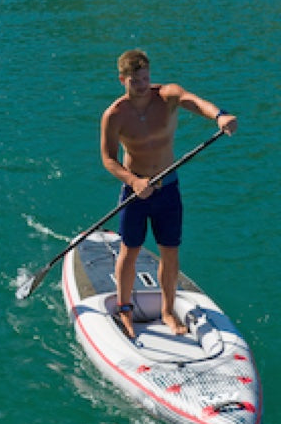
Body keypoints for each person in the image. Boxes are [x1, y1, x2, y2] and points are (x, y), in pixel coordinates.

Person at [100, 49, 237, 340]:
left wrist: (220, 116)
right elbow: (109, 159)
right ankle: (125, 309)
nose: (142, 85)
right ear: (122, 80)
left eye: (146, 78)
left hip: (168, 188)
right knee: (130, 251)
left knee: (170, 252)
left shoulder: (167, 96)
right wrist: (133, 182)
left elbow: (195, 102)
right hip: (135, 192)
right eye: (135, 80)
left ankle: (167, 311)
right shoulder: (115, 115)